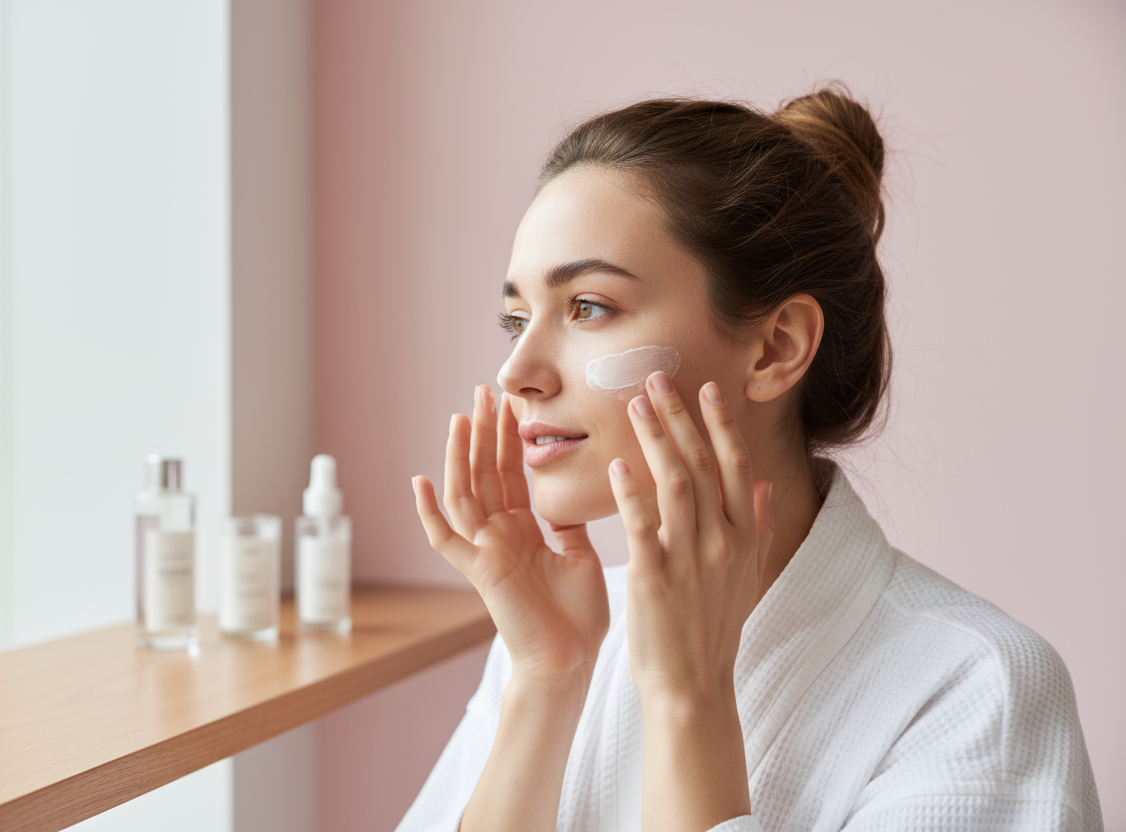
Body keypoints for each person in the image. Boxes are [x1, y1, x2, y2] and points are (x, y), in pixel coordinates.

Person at [399, 87, 1103, 832]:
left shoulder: (977, 691)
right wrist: (550, 677)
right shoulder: (551, 644)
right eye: (515, 319)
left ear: (776, 348)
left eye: (588, 307)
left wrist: (690, 700)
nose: (517, 373)